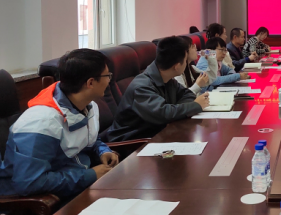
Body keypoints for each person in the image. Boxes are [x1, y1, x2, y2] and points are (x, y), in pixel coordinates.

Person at [0, 49, 119, 198]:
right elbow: (30, 182)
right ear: (90, 83)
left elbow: (88, 138)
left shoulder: (88, 105)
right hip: (42, 200)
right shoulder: (41, 123)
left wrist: (103, 151)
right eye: (107, 76)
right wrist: (89, 175)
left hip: (76, 184)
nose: (109, 81)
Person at [103, 36, 210, 142]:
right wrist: (195, 105)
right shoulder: (141, 87)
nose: (187, 64)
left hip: (156, 134)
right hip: (131, 143)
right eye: (185, 60)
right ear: (177, 66)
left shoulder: (168, 79)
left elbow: (187, 94)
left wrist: (175, 110)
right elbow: (163, 114)